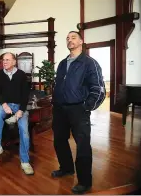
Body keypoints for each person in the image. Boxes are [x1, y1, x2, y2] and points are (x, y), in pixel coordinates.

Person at [51, 31, 105, 194]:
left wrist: (86, 106)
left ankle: (84, 181)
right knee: (59, 140)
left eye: (73, 37)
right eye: (67, 38)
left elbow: (99, 89)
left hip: (78, 109)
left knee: (82, 145)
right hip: (60, 108)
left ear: (81, 41)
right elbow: (58, 84)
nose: (69, 40)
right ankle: (66, 168)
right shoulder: (61, 64)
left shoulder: (89, 63)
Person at [0, 52, 34, 175]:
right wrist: (4, 104)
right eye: (3, 60)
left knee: (24, 131)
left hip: (20, 106)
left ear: (14, 62)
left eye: (8, 60)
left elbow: (26, 95)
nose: (5, 62)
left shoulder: (21, 75)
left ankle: (25, 161)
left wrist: (21, 111)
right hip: (4, 104)